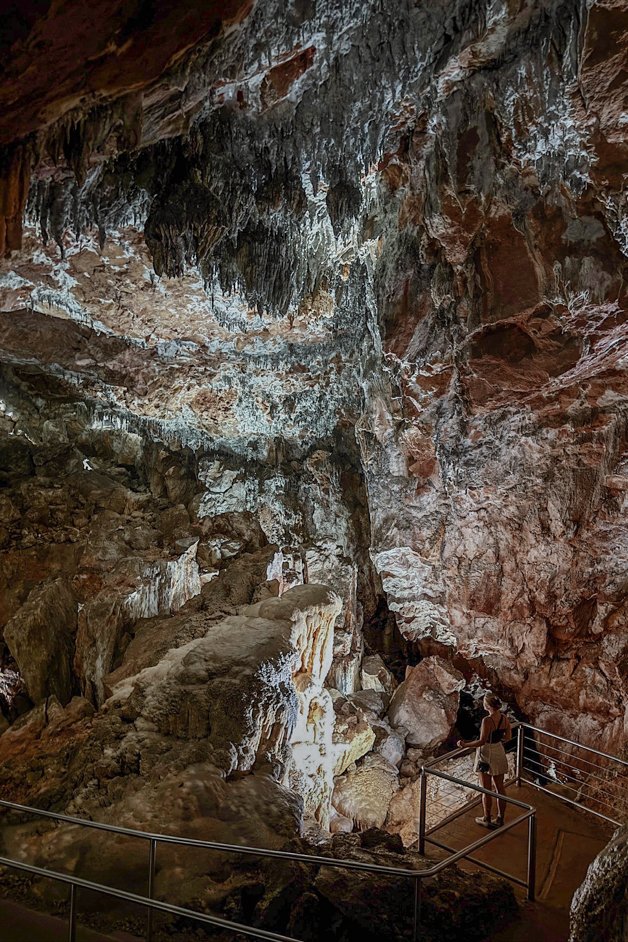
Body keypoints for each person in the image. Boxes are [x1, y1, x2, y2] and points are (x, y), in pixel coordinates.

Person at [457, 693, 511, 829]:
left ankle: (487, 818)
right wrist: (497, 741)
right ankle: (500, 818)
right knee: (500, 788)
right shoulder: (504, 718)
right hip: (499, 751)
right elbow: (508, 737)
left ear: (487, 705)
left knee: (486, 789)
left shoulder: (487, 720)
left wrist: (465, 745)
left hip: (486, 754)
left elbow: (481, 741)